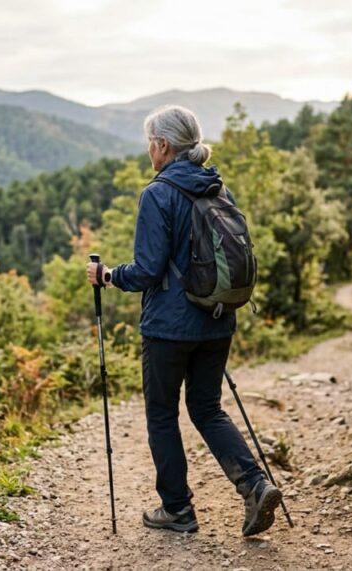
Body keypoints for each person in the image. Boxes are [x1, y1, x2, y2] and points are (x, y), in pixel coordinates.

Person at [85, 105, 282, 537]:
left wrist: (109, 276)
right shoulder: (217, 188)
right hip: (217, 319)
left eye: (149, 143)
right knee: (207, 408)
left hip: (169, 328)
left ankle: (177, 510)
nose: (148, 150)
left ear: (163, 145)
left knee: (161, 413)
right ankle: (254, 484)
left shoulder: (157, 193)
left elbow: (148, 270)